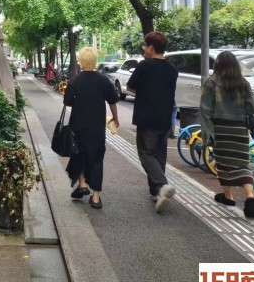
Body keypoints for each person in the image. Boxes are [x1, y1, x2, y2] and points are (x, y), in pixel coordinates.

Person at [199, 51, 254, 218]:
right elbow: (253, 108)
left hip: (220, 129)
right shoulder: (243, 82)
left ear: (218, 65)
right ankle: (250, 197)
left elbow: (205, 110)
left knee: (223, 164)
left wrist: (208, 134)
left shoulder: (211, 82)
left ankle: (228, 196)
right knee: (242, 165)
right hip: (239, 129)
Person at [127, 31, 178, 213]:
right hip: (165, 117)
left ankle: (162, 185)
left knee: (146, 153)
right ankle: (156, 192)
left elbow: (130, 86)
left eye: (145, 45)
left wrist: (144, 90)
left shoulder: (144, 66)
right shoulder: (172, 69)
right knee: (159, 154)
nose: (143, 48)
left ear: (151, 47)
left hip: (147, 116)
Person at [63, 47, 120, 209]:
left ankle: (82, 184)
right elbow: (112, 101)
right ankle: (96, 198)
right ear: (95, 60)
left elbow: (67, 102)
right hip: (97, 127)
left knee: (79, 154)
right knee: (96, 158)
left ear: (81, 60)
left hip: (78, 125)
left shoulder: (75, 80)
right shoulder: (104, 80)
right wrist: (115, 117)